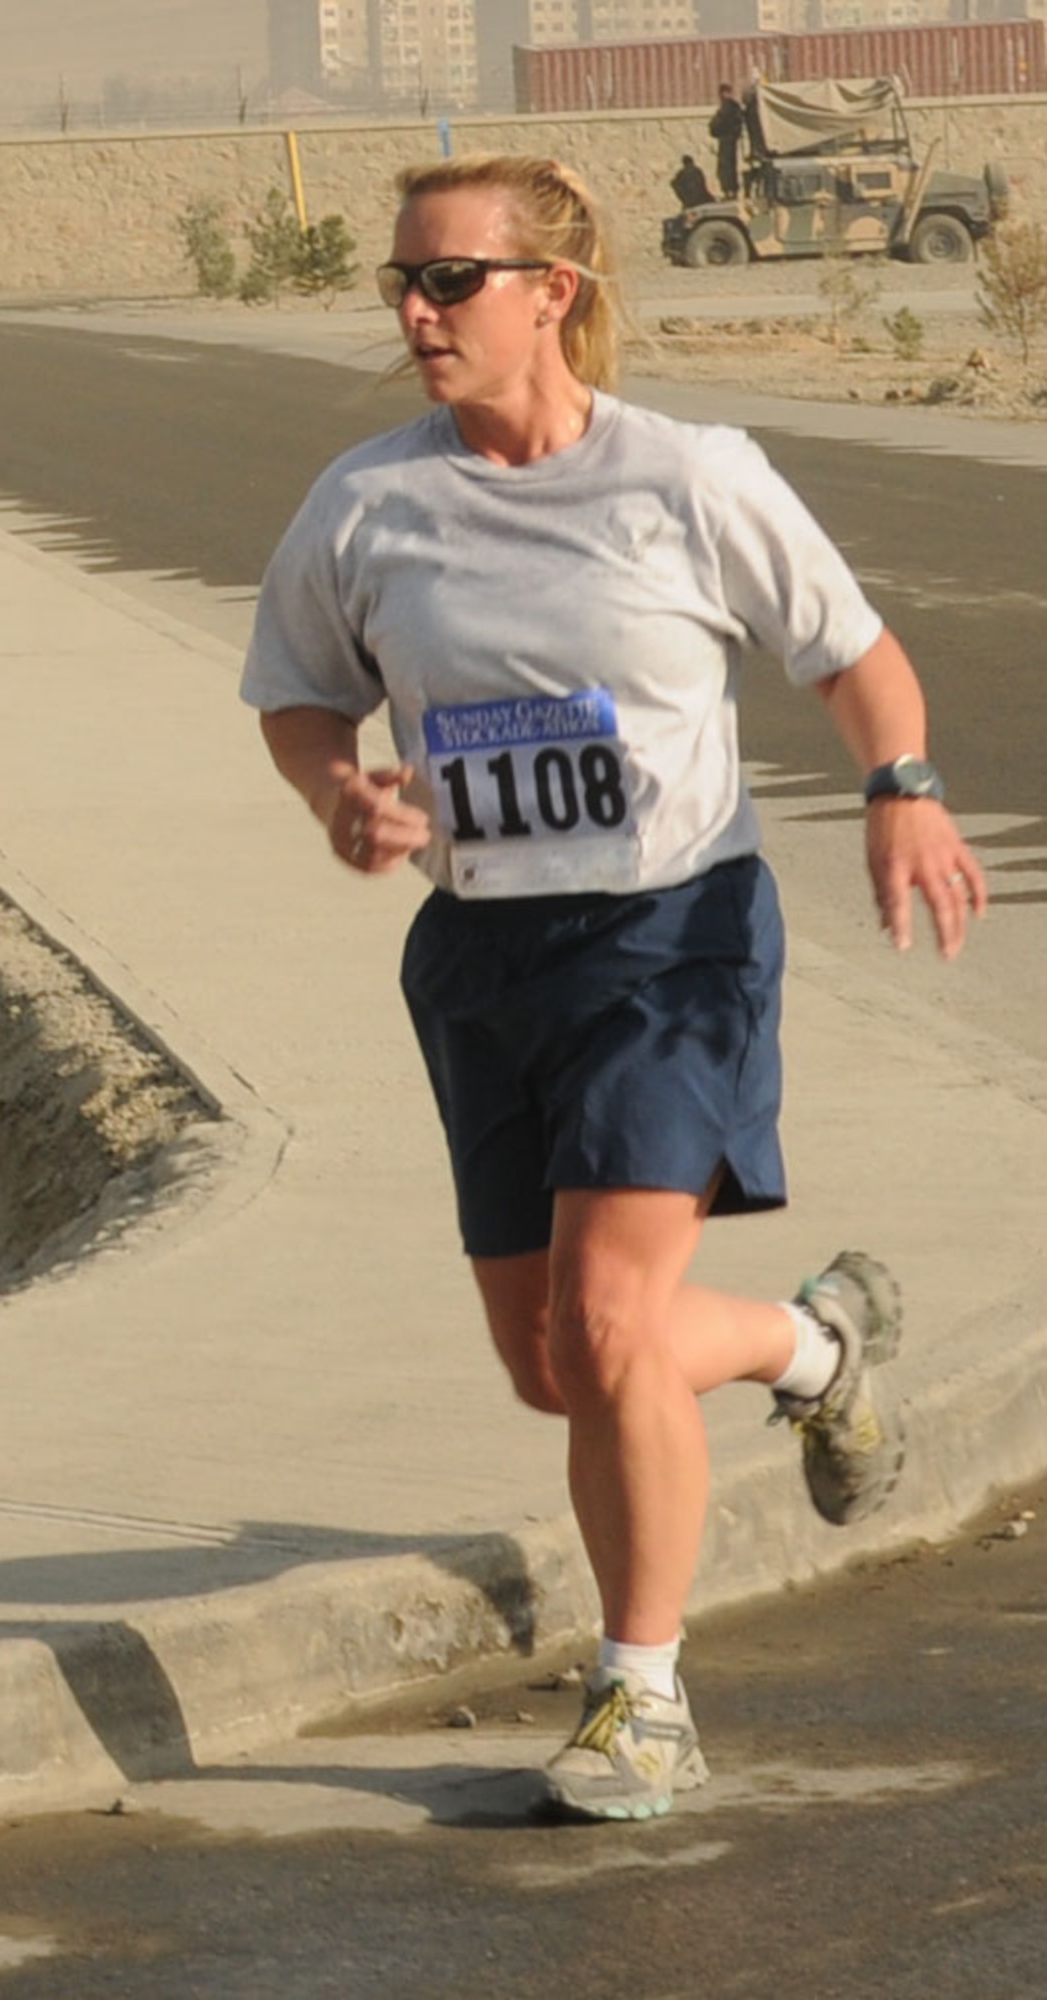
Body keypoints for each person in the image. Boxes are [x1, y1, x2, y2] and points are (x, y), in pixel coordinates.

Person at [240, 153, 986, 1824]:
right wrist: (337, 793)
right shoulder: (365, 504)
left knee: (602, 1323)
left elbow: (852, 659)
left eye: (449, 283)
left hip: (671, 940)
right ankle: (810, 1348)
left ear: (547, 294)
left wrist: (900, 788)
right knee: (555, 1363)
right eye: (399, 285)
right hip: (480, 951)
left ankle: (638, 1695)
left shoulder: (685, 477)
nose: (415, 314)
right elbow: (296, 693)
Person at [710, 83, 746, 197]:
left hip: (728, 139)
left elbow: (722, 122)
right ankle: (729, 190)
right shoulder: (728, 106)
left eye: (723, 93)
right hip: (726, 138)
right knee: (725, 167)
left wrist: (716, 126)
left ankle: (730, 191)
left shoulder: (730, 107)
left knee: (727, 166)